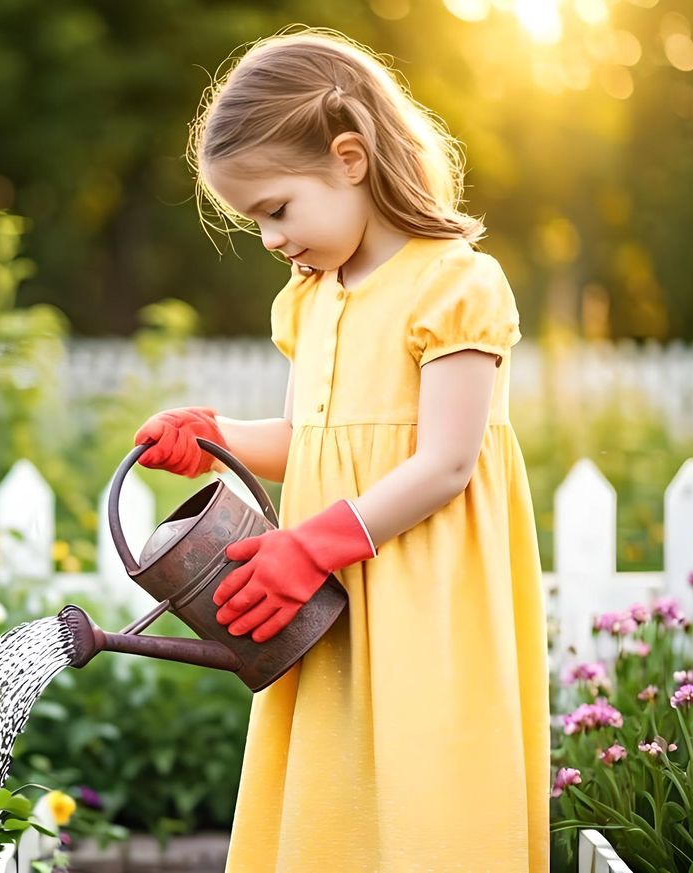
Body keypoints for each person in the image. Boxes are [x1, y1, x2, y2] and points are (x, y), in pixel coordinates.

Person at [133, 27, 548, 872]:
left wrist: (309, 545)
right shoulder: (311, 299)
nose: (270, 239)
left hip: (424, 595)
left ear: (351, 158)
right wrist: (213, 436)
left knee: (426, 799)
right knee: (331, 807)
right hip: (322, 595)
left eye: (276, 210)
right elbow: (307, 439)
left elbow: (446, 463)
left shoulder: (454, 285)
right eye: (254, 221)